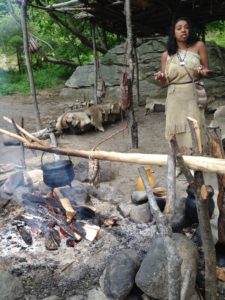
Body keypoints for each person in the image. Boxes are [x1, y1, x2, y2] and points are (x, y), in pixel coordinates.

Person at [154, 17, 211, 158]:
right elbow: (165, 82)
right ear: (173, 33)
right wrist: (161, 77)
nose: (183, 30)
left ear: (190, 31)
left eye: (186, 27)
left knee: (195, 126)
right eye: (179, 28)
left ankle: (196, 160)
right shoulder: (166, 55)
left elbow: (206, 71)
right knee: (175, 128)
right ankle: (180, 162)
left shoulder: (199, 46)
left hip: (193, 93)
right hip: (174, 96)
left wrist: (201, 72)